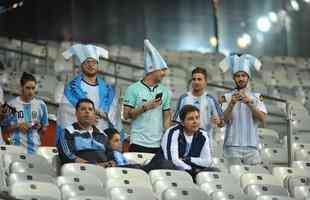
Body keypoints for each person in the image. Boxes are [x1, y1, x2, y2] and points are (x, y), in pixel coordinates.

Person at [56, 44, 124, 145]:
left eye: (94, 62)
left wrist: (104, 113)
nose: (91, 65)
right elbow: (65, 113)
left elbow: (114, 114)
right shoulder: (72, 88)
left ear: (98, 65)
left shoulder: (107, 90)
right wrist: (87, 118)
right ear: (81, 65)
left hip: (102, 138)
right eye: (87, 62)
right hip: (78, 139)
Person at [123, 39, 171, 153]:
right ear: (152, 70)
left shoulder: (164, 91)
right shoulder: (133, 89)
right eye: (162, 70)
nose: (164, 73)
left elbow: (167, 116)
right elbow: (126, 115)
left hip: (158, 143)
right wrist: (145, 107)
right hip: (138, 142)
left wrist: (167, 135)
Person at [219, 53, 267, 165]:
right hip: (231, 147)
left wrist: (250, 103)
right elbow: (222, 122)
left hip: (252, 148)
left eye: (243, 75)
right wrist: (231, 103)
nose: (241, 78)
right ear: (234, 78)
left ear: (248, 77)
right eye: (238, 76)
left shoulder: (257, 96)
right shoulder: (226, 97)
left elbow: (263, 120)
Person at [173, 67, 224, 150]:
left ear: (205, 82)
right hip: (185, 145)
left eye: (199, 79)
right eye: (194, 79)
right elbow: (177, 122)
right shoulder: (184, 98)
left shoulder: (210, 99)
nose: (196, 81)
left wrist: (218, 121)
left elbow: (222, 123)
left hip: (205, 145)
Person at [156, 105, 213, 176]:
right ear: (182, 123)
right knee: (169, 165)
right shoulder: (173, 132)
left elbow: (207, 161)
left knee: (213, 170)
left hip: (189, 169)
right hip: (167, 169)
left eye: (197, 118)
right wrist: (191, 169)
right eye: (191, 119)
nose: (195, 121)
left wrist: (187, 160)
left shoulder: (203, 134)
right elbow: (172, 160)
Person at [58, 98, 115, 167]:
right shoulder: (67, 132)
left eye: (90, 109)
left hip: (103, 171)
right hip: (79, 171)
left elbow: (111, 156)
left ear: (94, 114)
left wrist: (111, 163)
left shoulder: (103, 135)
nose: (87, 111)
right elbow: (67, 156)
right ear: (76, 113)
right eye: (83, 109)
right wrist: (93, 166)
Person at [5, 72, 49, 154]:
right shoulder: (11, 105)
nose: (31, 91)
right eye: (28, 88)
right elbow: (5, 129)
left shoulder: (41, 105)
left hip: (34, 150)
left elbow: (44, 129)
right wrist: (18, 126)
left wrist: (39, 127)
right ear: (21, 87)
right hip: (16, 149)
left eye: (33, 88)